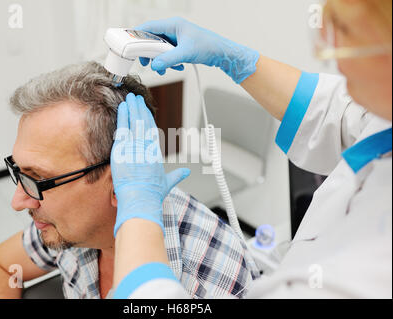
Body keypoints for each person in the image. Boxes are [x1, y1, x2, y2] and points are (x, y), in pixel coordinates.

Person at [111, 0, 392, 298]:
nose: (326, 54)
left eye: (344, 31)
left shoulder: (372, 271)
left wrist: (138, 213)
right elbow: (335, 109)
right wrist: (233, 58)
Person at [0, 61, 259, 299]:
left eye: (38, 179)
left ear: (118, 181)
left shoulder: (215, 278)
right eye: (19, 172)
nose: (17, 201)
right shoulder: (63, 222)